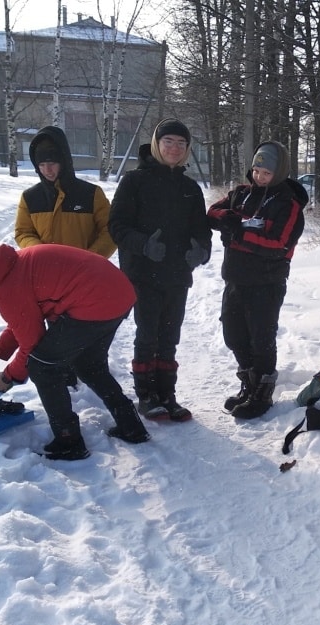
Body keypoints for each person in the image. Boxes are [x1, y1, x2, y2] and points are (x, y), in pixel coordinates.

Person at [0, 242, 149, 461]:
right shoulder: (0, 270)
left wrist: (8, 377)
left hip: (95, 300)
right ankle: (131, 426)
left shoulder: (4, 287)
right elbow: (22, 320)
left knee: (42, 367)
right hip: (116, 293)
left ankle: (69, 441)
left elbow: (31, 341)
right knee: (88, 364)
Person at [108, 118, 212, 421]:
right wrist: (143, 245)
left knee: (170, 336)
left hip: (178, 275)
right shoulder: (134, 181)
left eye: (181, 143)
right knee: (148, 334)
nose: (174, 148)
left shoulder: (190, 188)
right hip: (142, 273)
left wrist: (200, 251)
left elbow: (201, 230)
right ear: (156, 143)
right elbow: (116, 226)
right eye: (168, 142)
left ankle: (168, 394)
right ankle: (146, 395)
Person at [207, 140, 309, 419]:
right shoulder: (240, 194)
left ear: (278, 173)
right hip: (236, 279)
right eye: (256, 170)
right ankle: (248, 386)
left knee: (261, 339)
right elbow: (213, 213)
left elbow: (278, 244)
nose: (259, 177)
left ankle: (262, 393)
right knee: (234, 334)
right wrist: (228, 218)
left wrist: (237, 232)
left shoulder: (288, 205)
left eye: (266, 173)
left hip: (266, 283)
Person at [15, 125, 116, 258]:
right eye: (41, 165)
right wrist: (41, 253)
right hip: (46, 271)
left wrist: (90, 259)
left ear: (63, 161)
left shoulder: (91, 194)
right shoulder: (30, 197)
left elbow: (110, 231)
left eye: (51, 164)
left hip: (83, 273)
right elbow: (23, 232)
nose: (47, 171)